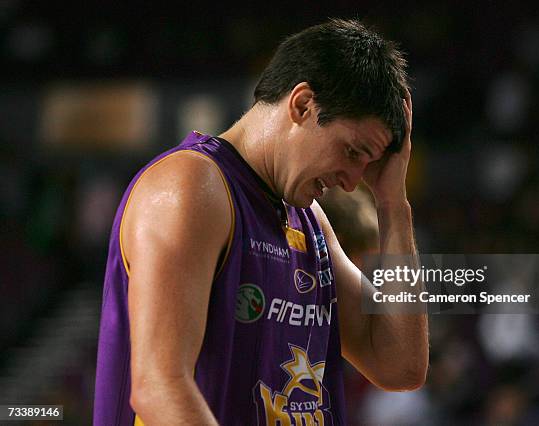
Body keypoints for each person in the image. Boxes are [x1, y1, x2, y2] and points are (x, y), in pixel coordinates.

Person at [94, 18, 429, 425]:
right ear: (303, 104)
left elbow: (401, 366)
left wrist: (393, 205)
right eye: (352, 151)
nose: (353, 181)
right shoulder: (192, 187)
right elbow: (160, 389)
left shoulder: (309, 223)